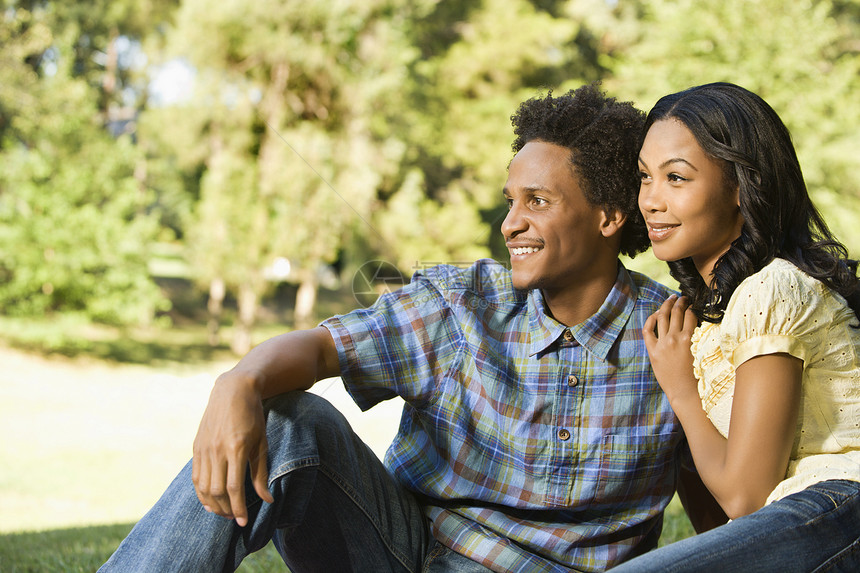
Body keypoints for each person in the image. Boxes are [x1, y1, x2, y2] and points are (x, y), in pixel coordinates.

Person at [100, 83, 705, 573]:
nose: (511, 224)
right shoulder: (462, 304)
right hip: (402, 556)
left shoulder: (673, 337)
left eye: (538, 202)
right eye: (510, 201)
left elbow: (721, 506)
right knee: (289, 421)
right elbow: (318, 349)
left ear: (609, 217)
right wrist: (237, 383)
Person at [611, 82, 860, 572]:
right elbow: (727, 522)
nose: (651, 201)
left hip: (841, 504)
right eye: (645, 177)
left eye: (676, 178)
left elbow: (745, 496)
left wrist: (681, 390)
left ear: (742, 188)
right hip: (797, 521)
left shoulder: (773, 289)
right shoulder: (706, 320)